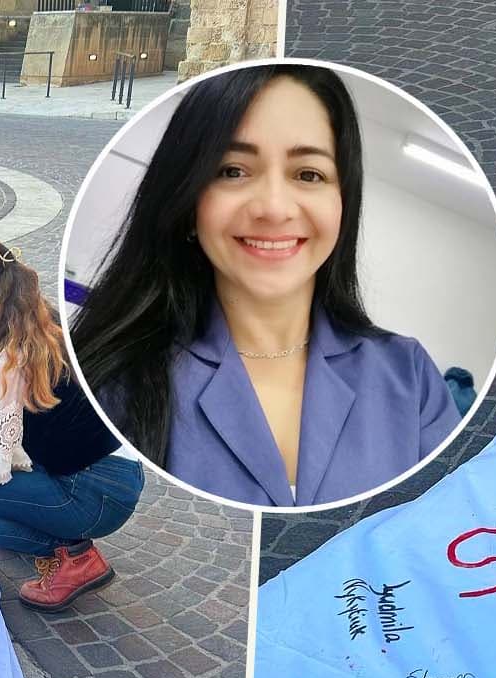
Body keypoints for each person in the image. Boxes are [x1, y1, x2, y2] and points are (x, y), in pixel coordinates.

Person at [70, 63, 462, 509]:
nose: (274, 208)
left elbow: (447, 510)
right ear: (187, 200)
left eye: (308, 174)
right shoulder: (115, 377)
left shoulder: (407, 374)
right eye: (233, 170)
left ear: (342, 205)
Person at [0, 236, 144, 611]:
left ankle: (74, 556)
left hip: (96, 491)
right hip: (112, 469)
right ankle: (45, 525)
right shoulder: (25, 315)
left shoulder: (8, 354)